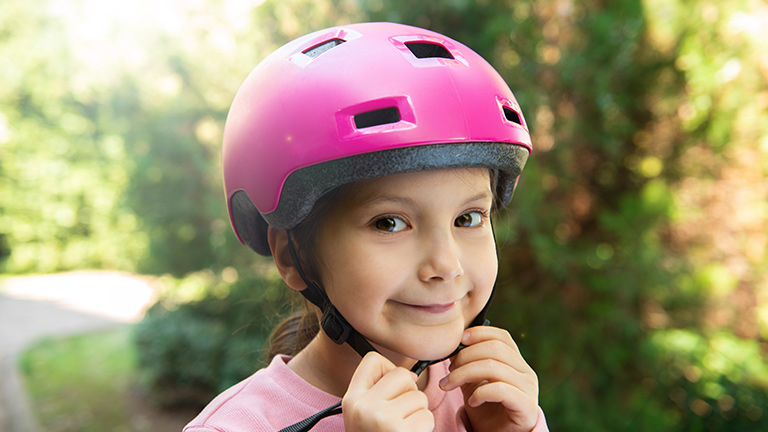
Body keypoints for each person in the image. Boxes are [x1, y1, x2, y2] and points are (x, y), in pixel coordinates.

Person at [184, 22, 548, 432]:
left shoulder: (491, 400)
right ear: (292, 255)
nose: (446, 264)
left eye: (468, 218)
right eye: (389, 223)